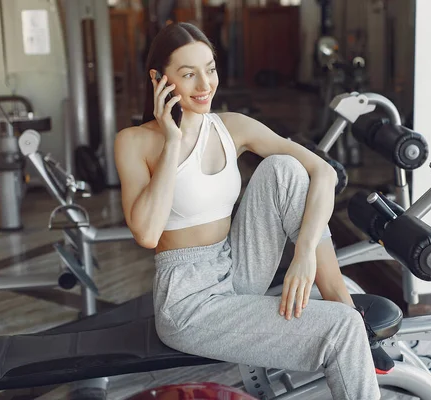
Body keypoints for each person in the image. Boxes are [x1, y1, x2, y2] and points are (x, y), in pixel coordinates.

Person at [115, 22, 391, 400]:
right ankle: (349, 324)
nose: (204, 85)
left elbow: (322, 172)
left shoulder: (231, 126)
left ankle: (339, 296)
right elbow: (146, 234)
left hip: (236, 267)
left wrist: (305, 254)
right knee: (341, 328)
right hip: (187, 301)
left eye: (210, 69)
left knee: (286, 169)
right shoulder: (134, 142)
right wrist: (172, 141)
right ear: (159, 79)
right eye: (188, 74)